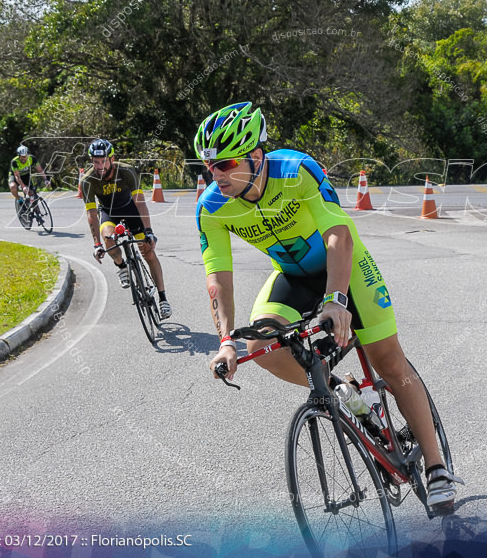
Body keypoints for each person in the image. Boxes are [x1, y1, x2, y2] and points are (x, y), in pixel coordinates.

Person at [195, 102, 461, 513]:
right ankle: (345, 391)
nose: (216, 175)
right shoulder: (212, 206)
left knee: (388, 359)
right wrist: (226, 340)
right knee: (259, 345)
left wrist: (336, 300)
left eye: (225, 164)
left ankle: (437, 466)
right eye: (209, 167)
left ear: (256, 156)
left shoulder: (296, 171)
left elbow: (338, 234)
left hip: (346, 269)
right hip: (294, 277)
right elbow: (219, 280)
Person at [80, 139, 171, 319]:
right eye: (96, 162)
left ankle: (163, 299)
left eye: (104, 161)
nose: (100, 166)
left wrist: (148, 231)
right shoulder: (88, 180)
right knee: (108, 240)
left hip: (131, 209)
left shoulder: (127, 171)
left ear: (112, 159)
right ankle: (121, 266)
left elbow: (140, 202)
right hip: (108, 212)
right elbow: (91, 213)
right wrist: (97, 243)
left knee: (148, 251)